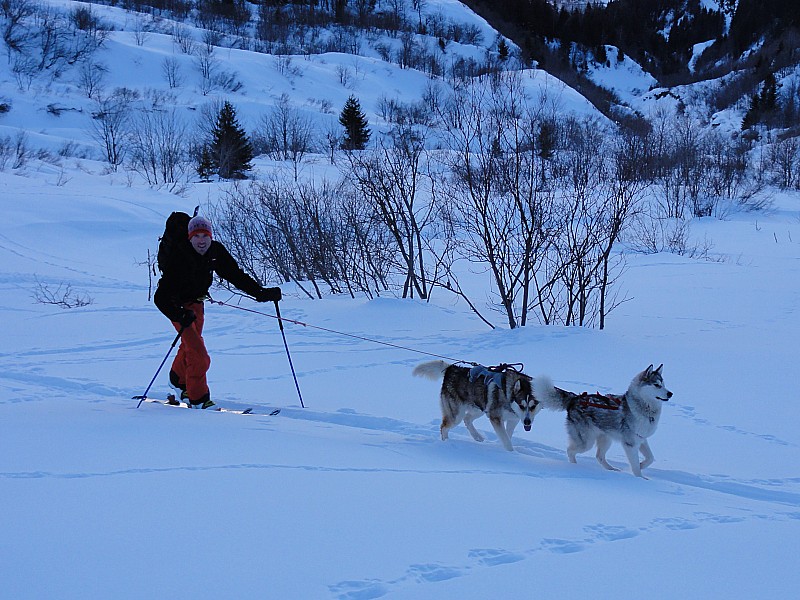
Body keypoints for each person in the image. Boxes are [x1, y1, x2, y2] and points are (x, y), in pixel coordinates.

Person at [154, 214, 281, 409]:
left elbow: (235, 275)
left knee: (190, 346)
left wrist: (260, 293)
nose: (201, 241)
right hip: (177, 306)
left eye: (205, 235)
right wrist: (179, 314)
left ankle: (178, 379)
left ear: (211, 236)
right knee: (199, 354)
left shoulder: (215, 251)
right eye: (196, 236)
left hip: (197, 305)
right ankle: (198, 399)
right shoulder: (180, 256)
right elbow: (160, 297)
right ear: (189, 237)